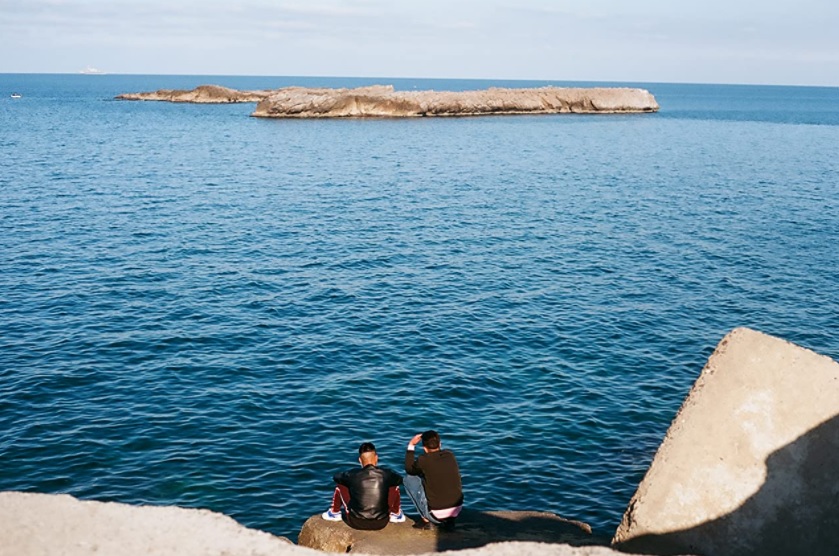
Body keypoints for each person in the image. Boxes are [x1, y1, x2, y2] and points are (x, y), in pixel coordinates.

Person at [322, 441, 405, 530]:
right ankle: (396, 514)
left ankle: (334, 513)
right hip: (382, 522)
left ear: (360, 460)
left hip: (356, 521)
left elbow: (336, 477)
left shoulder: (353, 474)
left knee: (340, 486)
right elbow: (400, 479)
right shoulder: (386, 474)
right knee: (394, 486)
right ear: (376, 458)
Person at [404, 430, 463, 530]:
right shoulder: (450, 456)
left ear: (424, 448)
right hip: (456, 511)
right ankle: (449, 522)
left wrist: (411, 445)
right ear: (440, 444)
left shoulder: (423, 460)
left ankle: (426, 519)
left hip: (436, 515)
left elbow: (409, 469)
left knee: (409, 480)